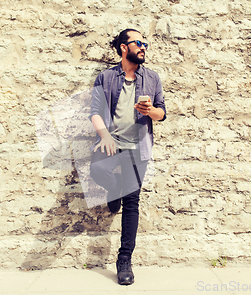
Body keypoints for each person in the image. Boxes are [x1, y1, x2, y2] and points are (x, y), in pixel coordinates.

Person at [89, 29, 166, 285]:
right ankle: (113, 191)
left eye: (145, 43)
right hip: (111, 142)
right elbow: (95, 111)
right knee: (98, 171)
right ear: (124, 47)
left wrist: (151, 111)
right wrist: (104, 135)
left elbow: (162, 114)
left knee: (132, 202)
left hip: (137, 148)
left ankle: (124, 261)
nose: (143, 47)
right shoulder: (106, 77)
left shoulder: (152, 78)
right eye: (138, 43)